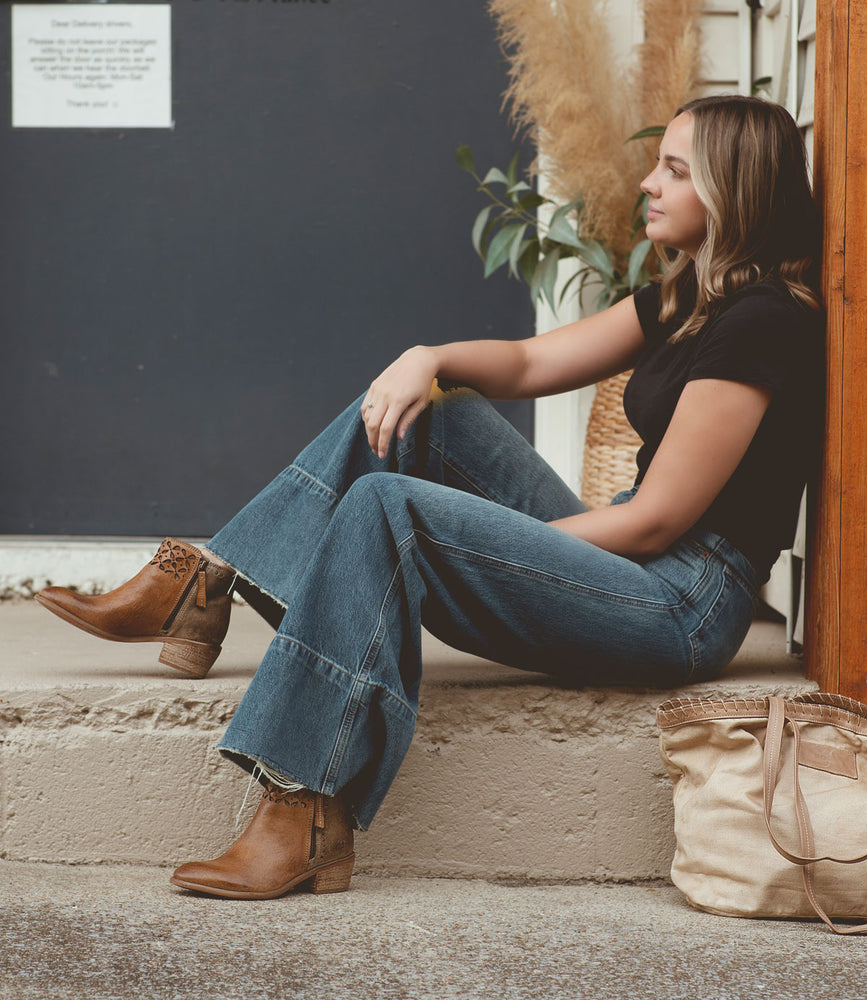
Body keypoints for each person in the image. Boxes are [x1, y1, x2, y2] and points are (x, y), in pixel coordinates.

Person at [35, 95, 824, 900]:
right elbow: (526, 364)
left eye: (674, 170)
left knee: (389, 507)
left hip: (681, 600)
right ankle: (203, 586)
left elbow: (659, 518)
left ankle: (302, 807)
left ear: (734, 194)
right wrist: (425, 355)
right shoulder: (691, 294)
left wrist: (503, 546)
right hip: (639, 557)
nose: (647, 182)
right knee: (427, 411)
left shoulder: (762, 323)